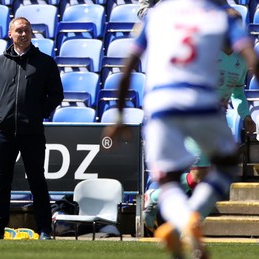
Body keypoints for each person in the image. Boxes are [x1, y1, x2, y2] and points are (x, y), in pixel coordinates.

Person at [103, 0, 259, 258]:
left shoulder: (158, 15)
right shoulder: (219, 16)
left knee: (169, 181)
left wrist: (118, 115)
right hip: (201, 103)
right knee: (226, 167)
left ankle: (176, 219)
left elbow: (129, 63)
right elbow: (251, 57)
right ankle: (186, 221)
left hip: (162, 105)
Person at [143, 45, 257, 233]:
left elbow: (237, 94)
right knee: (199, 175)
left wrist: (246, 116)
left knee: (214, 175)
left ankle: (185, 218)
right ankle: (158, 199)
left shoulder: (241, 61)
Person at [0, 17, 64, 240]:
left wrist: (38, 113)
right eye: (19, 31)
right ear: (10, 34)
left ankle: (44, 229)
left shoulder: (45, 62)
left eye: (27, 30)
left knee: (37, 181)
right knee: (0, 182)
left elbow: (56, 94)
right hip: (3, 132)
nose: (23, 34)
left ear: (32, 34)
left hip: (32, 132)